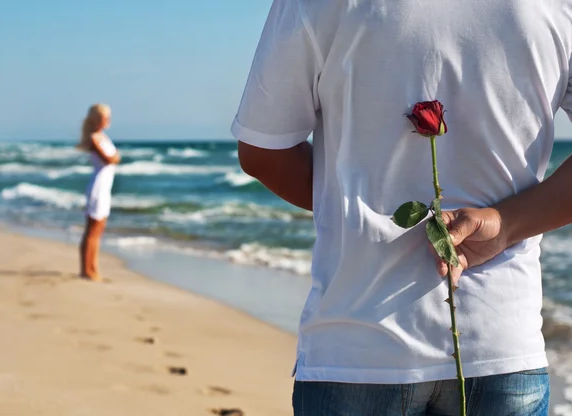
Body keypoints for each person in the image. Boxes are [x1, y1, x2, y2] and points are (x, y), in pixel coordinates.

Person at [232, 1, 572, 414]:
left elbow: (263, 150)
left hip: (357, 342)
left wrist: (355, 207)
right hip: (501, 339)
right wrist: (504, 224)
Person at [77, 104, 120, 282]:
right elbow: (110, 159)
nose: (108, 120)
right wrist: (116, 157)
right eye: (104, 117)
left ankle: (93, 266)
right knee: (92, 230)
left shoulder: (103, 137)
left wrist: (115, 158)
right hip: (98, 188)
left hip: (105, 187)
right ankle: (86, 269)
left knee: (98, 230)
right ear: (96, 119)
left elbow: (114, 158)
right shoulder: (94, 138)